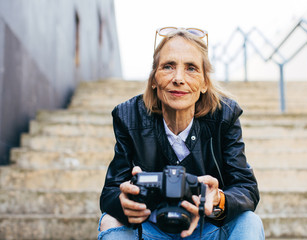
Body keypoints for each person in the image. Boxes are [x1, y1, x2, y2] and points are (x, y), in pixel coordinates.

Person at [98, 27, 265, 240]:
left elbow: (246, 188)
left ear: (204, 83)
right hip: (149, 227)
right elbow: (110, 192)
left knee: (249, 221)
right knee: (109, 219)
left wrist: (218, 199)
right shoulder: (129, 116)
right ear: (153, 79)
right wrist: (122, 201)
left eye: (191, 68)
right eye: (168, 66)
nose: (178, 78)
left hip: (207, 226)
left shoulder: (224, 116)